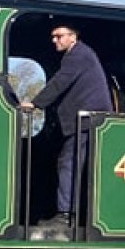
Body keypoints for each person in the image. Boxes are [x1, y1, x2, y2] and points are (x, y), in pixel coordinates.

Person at [20, 23, 112, 230]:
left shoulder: (78, 55)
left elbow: (60, 82)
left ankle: (65, 215)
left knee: (69, 164)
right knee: (66, 161)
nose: (54, 40)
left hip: (87, 121)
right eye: (53, 36)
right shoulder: (79, 55)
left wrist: (35, 103)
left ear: (73, 36)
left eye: (59, 36)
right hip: (83, 121)